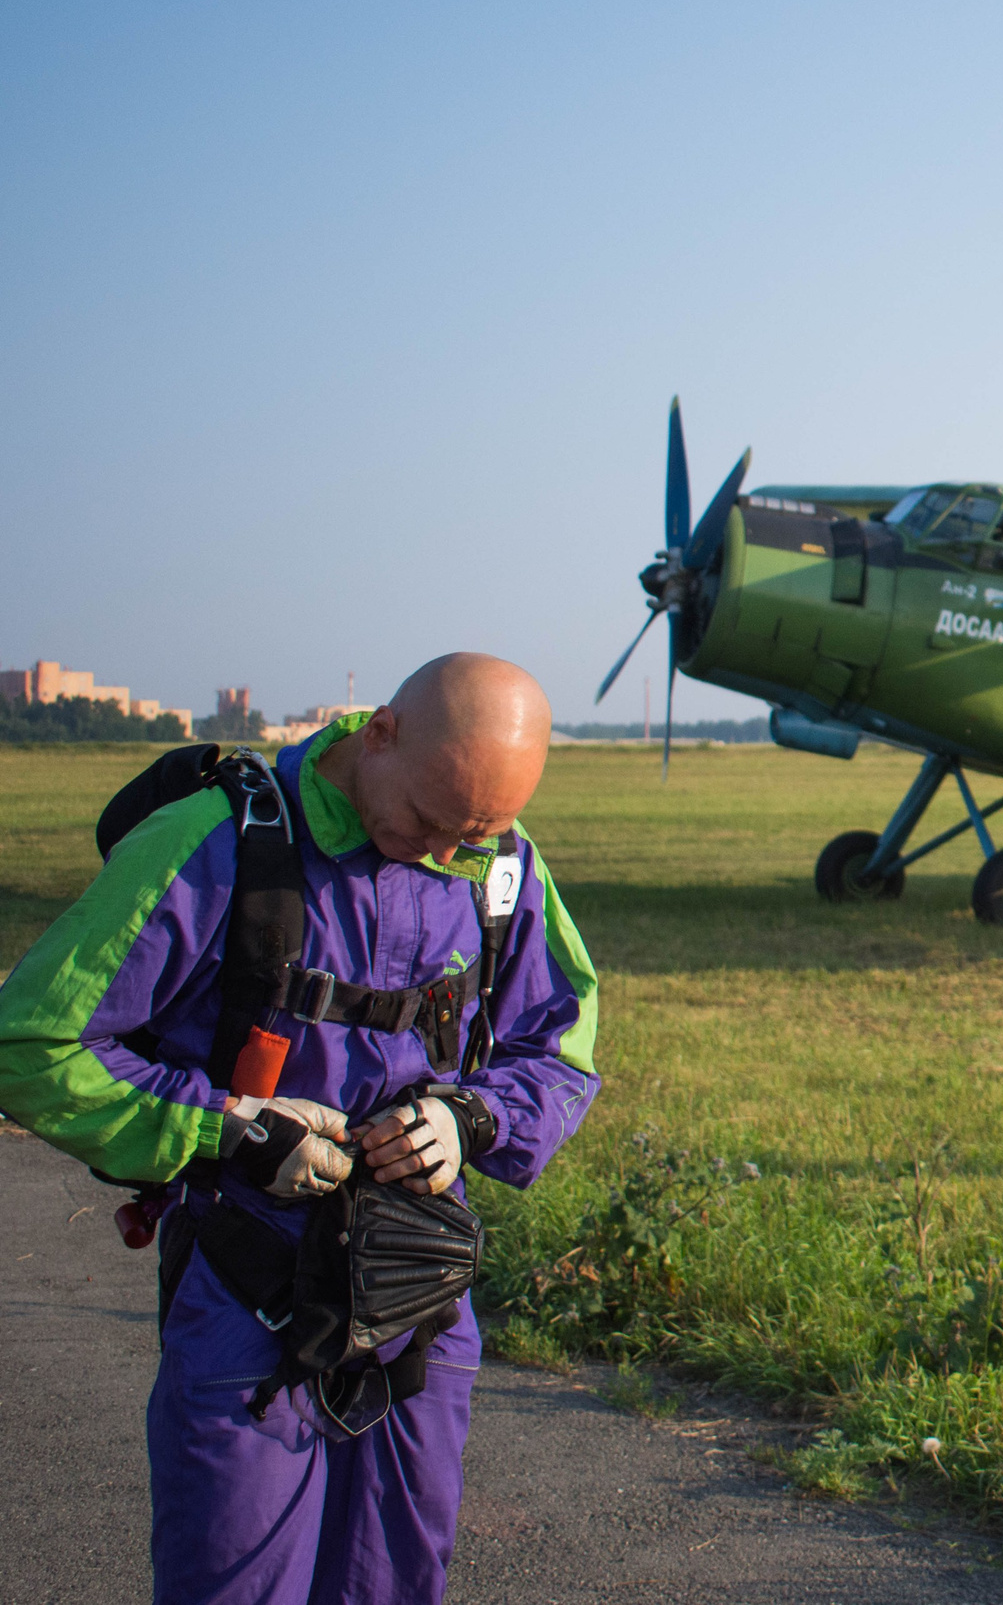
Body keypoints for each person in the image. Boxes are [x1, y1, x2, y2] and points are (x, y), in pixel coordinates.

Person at [0, 653, 600, 1605]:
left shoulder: (498, 863)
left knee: (396, 1581)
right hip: (247, 1292)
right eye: (428, 821)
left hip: (418, 1301)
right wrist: (225, 1128)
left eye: (472, 835)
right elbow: (33, 1042)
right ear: (380, 733)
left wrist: (470, 1117)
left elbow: (560, 1047)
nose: (444, 852)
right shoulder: (215, 841)